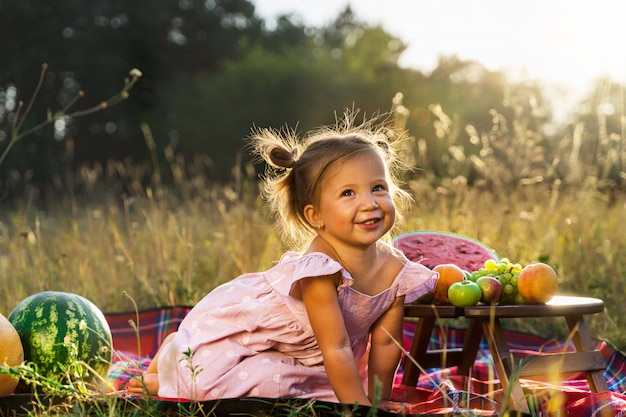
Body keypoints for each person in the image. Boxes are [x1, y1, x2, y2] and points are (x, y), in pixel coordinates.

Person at [127, 112, 438, 412]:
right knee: (254, 387)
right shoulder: (320, 269)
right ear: (316, 216)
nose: (369, 203)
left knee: (315, 393)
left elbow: (385, 346)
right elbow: (337, 348)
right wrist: (358, 410)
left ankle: (176, 358)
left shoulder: (396, 271)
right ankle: (169, 371)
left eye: (378, 188)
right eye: (348, 193)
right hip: (251, 344)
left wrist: (376, 399)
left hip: (308, 360)